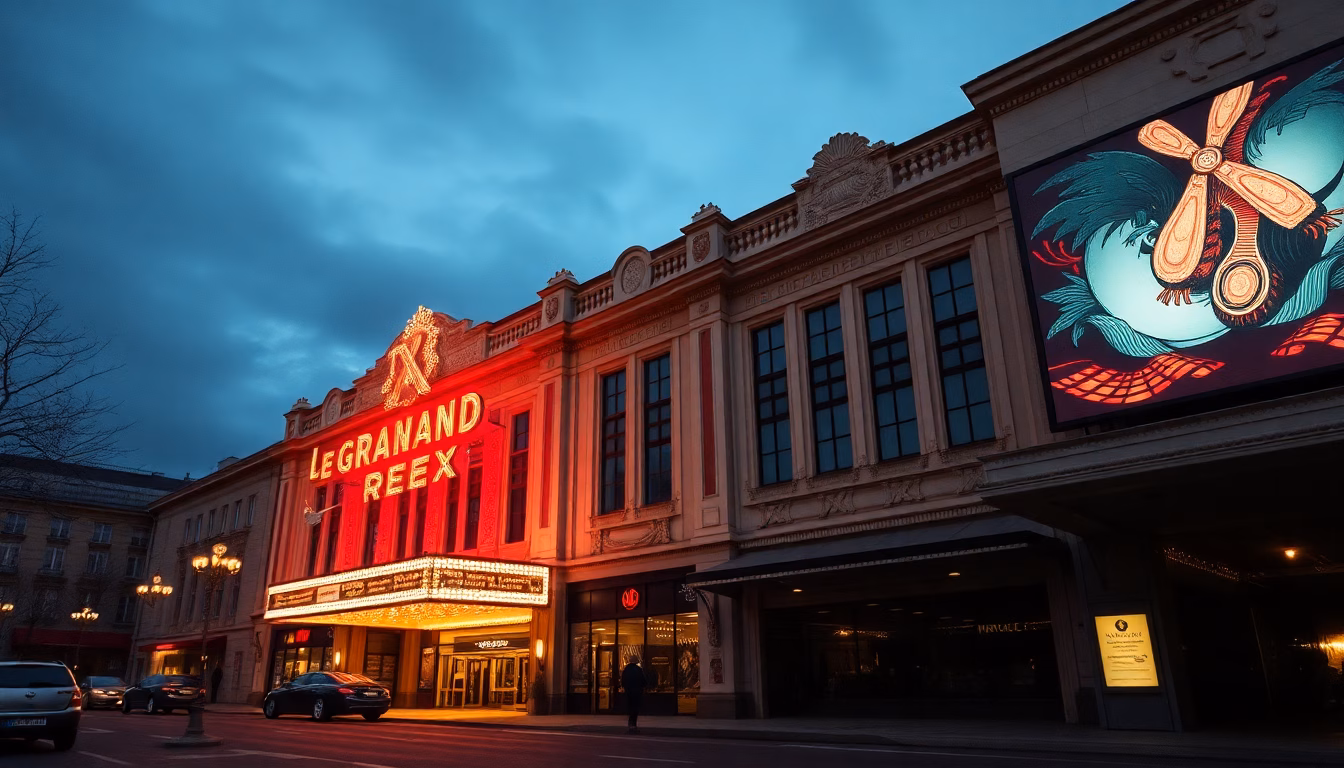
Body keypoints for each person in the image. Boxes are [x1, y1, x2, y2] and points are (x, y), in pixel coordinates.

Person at [619, 658, 647, 734]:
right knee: (635, 709)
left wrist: (625, 688)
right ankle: (633, 725)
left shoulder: (626, 670)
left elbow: (623, 681)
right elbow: (643, 681)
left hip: (629, 692)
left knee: (630, 708)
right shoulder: (638, 670)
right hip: (637, 692)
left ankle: (630, 725)